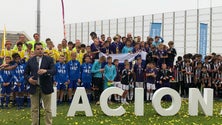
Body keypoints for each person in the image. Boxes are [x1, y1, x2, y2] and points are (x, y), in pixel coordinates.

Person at [24, 42, 55, 125]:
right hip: (34, 87)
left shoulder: (49, 59)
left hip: (46, 86)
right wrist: (29, 79)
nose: (40, 50)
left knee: (47, 109)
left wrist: (46, 71)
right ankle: (34, 123)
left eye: (41, 49)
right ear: (34, 50)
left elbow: (54, 71)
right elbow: (25, 73)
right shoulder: (30, 60)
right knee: (34, 109)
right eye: (38, 49)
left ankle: (48, 124)